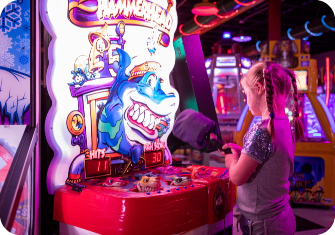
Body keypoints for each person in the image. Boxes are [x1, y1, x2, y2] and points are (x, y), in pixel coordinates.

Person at [219, 61, 305, 235]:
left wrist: (232, 159)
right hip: (279, 217)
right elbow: (266, 158)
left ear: (258, 88)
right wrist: (244, 153)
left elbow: (237, 177)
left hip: (264, 225)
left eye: (246, 93)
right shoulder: (283, 125)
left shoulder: (262, 131)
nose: (246, 100)